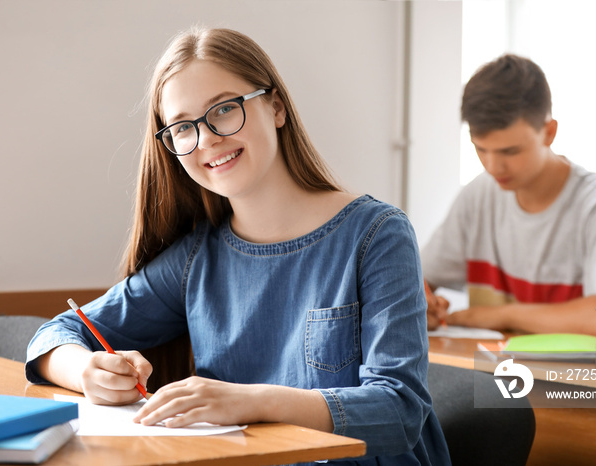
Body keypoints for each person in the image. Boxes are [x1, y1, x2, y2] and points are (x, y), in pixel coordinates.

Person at [25, 27, 450, 465]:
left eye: (224, 110)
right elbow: (54, 335)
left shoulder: (376, 234)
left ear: (276, 106)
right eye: (183, 127)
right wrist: (85, 371)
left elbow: (399, 410)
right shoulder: (196, 258)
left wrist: (251, 401)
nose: (206, 138)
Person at [423, 54, 596, 335]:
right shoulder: (477, 194)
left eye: (510, 151)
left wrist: (502, 316)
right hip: (486, 374)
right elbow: (415, 279)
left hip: (568, 378)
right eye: (480, 149)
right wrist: (421, 302)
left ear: (549, 132)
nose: (493, 166)